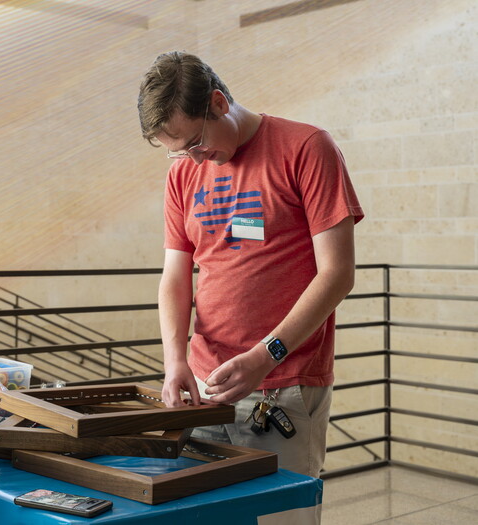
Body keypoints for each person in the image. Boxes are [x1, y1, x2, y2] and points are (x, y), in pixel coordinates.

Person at [137, 52, 364, 477]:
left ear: (219, 103)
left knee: (281, 517)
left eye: (194, 143)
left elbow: (337, 274)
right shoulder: (183, 175)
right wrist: (175, 361)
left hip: (283, 382)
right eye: (179, 152)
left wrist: (266, 356)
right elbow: (175, 277)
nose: (194, 160)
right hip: (206, 383)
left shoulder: (307, 148)